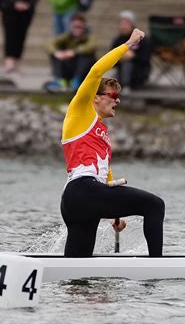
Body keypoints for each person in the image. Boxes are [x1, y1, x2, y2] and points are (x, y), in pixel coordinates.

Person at [60, 28, 165, 258]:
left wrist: (115, 217)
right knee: (155, 205)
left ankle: (69, 288)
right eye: (112, 96)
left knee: (76, 269)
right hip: (83, 191)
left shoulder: (102, 134)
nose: (117, 101)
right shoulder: (80, 111)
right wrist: (129, 43)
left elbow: (106, 179)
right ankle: (158, 267)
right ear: (96, 97)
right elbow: (96, 70)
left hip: (78, 200)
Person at [44, 13, 97, 92]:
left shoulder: (89, 37)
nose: (77, 29)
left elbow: (91, 47)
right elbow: (50, 44)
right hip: (69, 68)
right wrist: (57, 53)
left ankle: (77, 80)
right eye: (74, 27)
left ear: (84, 27)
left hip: (84, 72)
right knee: (56, 54)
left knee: (86, 56)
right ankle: (60, 81)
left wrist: (74, 52)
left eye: (79, 27)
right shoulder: (67, 36)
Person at [0, 0, 39, 74]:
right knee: (10, 36)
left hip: (27, 9)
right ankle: (9, 64)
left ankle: (16, 63)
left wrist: (28, 3)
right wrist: (15, 2)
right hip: (9, 7)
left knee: (21, 36)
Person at [111, 10, 152, 92]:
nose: (123, 26)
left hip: (139, 71)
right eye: (122, 23)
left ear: (132, 24)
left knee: (128, 62)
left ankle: (126, 85)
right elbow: (110, 59)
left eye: (126, 23)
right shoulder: (117, 40)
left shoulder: (141, 39)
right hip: (120, 71)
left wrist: (133, 56)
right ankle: (122, 85)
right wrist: (120, 57)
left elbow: (146, 58)